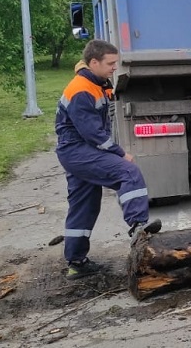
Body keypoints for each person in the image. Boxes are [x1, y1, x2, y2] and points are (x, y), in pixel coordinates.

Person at [56, 40, 161, 280]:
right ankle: (138, 227)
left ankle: (76, 263)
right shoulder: (81, 89)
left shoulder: (96, 82)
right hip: (78, 150)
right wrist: (120, 153)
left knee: (84, 204)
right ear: (94, 63)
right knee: (128, 171)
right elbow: (93, 133)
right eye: (110, 63)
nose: (115, 67)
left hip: (75, 150)